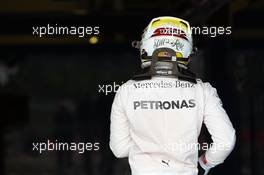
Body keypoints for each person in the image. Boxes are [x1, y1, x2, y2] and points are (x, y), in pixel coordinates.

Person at [109, 16, 236, 175]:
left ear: (145, 46)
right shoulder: (203, 91)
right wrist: (204, 163)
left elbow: (119, 149)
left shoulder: (126, 91)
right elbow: (226, 140)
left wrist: (147, 151)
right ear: (188, 52)